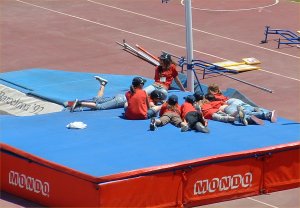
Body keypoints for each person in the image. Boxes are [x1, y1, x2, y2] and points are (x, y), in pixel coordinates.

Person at [206, 83, 277, 123]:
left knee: (243, 113)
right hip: (232, 101)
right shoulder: (221, 95)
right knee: (248, 108)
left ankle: (252, 117)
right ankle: (267, 113)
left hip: (227, 106)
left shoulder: (210, 101)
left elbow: (215, 112)